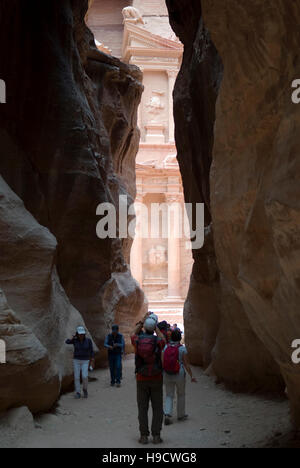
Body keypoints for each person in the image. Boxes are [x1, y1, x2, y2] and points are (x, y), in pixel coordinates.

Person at [131, 312, 166, 445]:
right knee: (157, 408)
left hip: (141, 378)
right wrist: (156, 327)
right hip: (156, 377)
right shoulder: (158, 341)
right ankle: (156, 436)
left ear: (145, 328)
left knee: (142, 408)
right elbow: (163, 339)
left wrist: (141, 322)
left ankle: (144, 436)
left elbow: (132, 334)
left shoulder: (137, 340)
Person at [162, 328, 197, 425]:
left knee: (169, 395)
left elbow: (162, 362)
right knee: (181, 394)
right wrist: (192, 376)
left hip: (167, 373)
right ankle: (181, 415)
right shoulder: (182, 348)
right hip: (179, 373)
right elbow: (186, 364)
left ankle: (167, 414)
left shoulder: (165, 347)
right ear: (179, 338)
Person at [66, 326, 95, 399]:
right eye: (80, 334)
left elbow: (91, 350)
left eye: (82, 334)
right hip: (76, 360)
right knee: (76, 377)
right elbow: (67, 342)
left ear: (84, 334)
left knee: (84, 376)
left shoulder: (88, 341)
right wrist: (73, 338)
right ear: (77, 334)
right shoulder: (75, 340)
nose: (81, 335)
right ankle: (78, 392)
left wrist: (92, 359)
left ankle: (85, 389)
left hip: (85, 360)